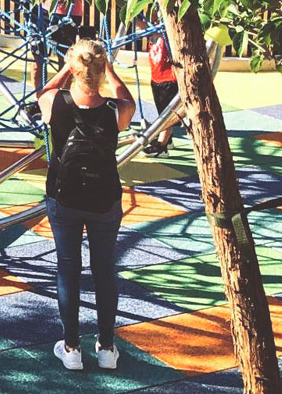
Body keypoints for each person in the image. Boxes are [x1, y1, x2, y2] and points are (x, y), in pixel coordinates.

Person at [37, 39, 136, 372]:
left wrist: (69, 66)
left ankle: (71, 348)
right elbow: (128, 99)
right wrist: (106, 69)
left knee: (68, 268)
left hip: (64, 197)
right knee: (104, 270)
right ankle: (107, 348)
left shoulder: (56, 102)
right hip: (104, 198)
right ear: (100, 69)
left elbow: (44, 91)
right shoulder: (115, 110)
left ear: (74, 67)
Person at [144, 26, 179, 156]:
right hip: (156, 78)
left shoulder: (166, 31)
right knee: (161, 112)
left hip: (169, 79)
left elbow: (166, 34)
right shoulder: (153, 29)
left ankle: (162, 145)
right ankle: (168, 139)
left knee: (166, 114)